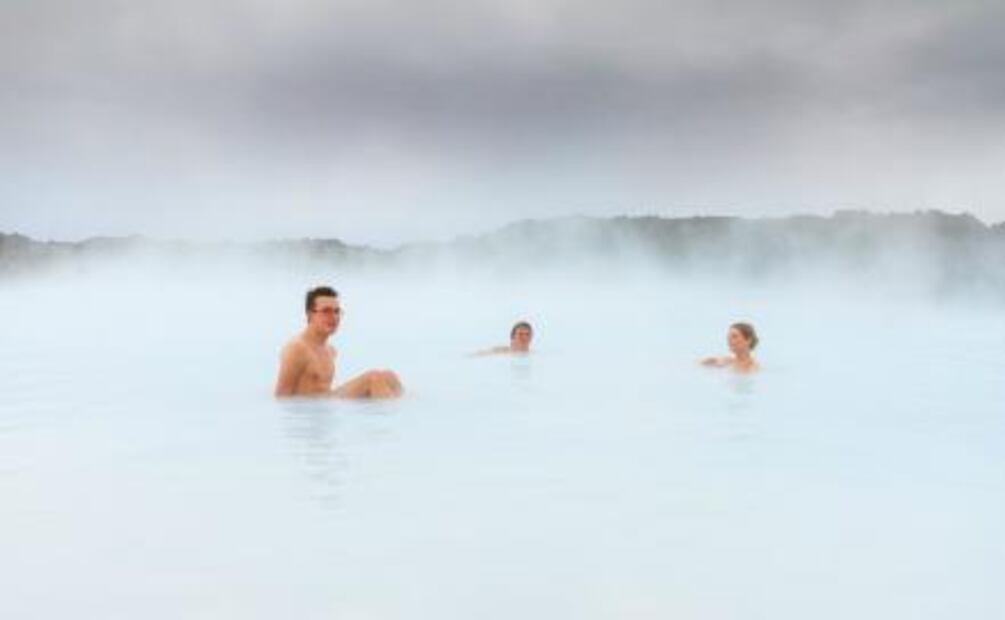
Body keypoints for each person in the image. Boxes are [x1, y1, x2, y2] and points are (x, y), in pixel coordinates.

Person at [274, 286, 403, 398]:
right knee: (373, 378)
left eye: (337, 311)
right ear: (310, 314)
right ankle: (391, 423)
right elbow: (281, 397)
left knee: (389, 376)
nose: (334, 317)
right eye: (326, 311)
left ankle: (404, 415)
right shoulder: (297, 349)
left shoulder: (330, 350)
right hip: (311, 410)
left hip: (325, 406)